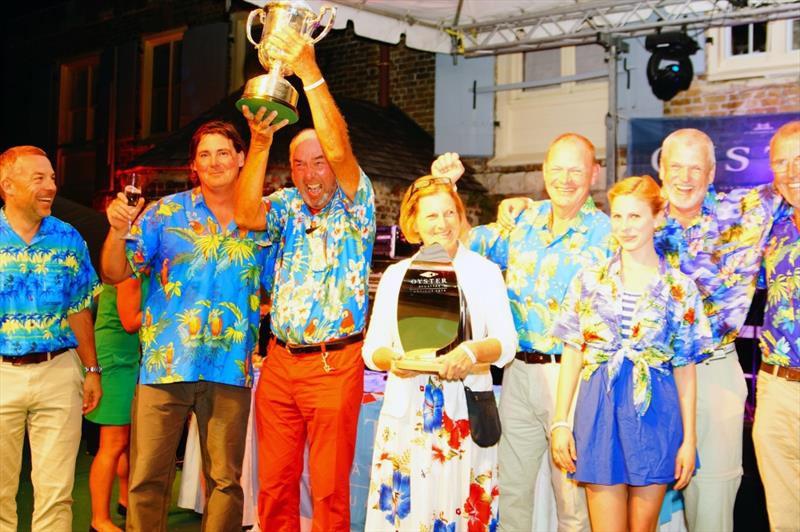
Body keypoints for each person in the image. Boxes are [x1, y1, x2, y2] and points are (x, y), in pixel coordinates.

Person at [100, 120, 278, 532]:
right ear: (194, 165)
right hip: (165, 366)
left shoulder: (263, 219)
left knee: (226, 482)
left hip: (230, 369)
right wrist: (116, 229)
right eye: (204, 155)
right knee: (147, 478)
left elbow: (275, 287)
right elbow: (113, 272)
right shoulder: (164, 214)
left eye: (222, 153)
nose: (214, 162)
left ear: (240, 159)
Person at [234, 24, 376, 531]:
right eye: (300, 165)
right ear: (290, 170)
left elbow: (340, 153)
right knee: (273, 486)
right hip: (278, 363)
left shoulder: (357, 204)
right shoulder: (287, 205)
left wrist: (310, 71)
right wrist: (260, 140)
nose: (312, 174)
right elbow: (246, 214)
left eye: (319, 164)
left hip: (333, 364)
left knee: (330, 489)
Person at [463, 134, 611, 532]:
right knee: (511, 489)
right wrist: (446, 188)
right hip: (518, 373)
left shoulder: (608, 234)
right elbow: (465, 246)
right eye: (557, 169)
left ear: (594, 174)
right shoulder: (523, 220)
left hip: (574, 377)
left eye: (576, 170)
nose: (566, 179)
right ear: (543, 172)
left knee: (572, 499)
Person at [550, 175, 713, 532]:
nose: (625, 226)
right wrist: (560, 422)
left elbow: (685, 369)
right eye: (618, 216)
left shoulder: (680, 288)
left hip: (655, 410)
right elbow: (573, 353)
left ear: (657, 218)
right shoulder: (588, 280)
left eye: (636, 216)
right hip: (598, 407)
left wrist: (689, 439)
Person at [361, 175, 517, 531]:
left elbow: (506, 344)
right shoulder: (396, 275)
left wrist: (472, 350)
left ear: (461, 217)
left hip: (464, 415)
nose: (443, 223)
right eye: (431, 216)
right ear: (413, 222)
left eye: (450, 213)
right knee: (407, 514)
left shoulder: (484, 272)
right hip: (407, 415)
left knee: (460, 510)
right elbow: (372, 350)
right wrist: (395, 362)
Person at [653, 128, 783, 532]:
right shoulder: (641, 221)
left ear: (711, 174)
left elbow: (791, 182)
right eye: (677, 166)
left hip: (714, 373)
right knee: (646, 502)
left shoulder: (745, 212)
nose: (686, 177)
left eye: (696, 168)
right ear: (661, 170)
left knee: (711, 502)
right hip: (649, 376)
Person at [0, 145, 102, 531]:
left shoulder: (68, 237)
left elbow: (79, 309)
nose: (50, 187)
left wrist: (91, 369)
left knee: (57, 493)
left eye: (53, 178)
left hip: (59, 371)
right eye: (39, 178)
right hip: (2, 374)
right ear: (7, 184)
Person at [752, 120, 800, 532]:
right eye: (781, 163)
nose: (791, 172)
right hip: (777, 389)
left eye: (799, 159)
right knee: (784, 516)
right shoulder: (772, 232)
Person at [86, 277, 144, 532]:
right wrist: (171, 305)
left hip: (126, 356)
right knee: (113, 442)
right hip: (114, 361)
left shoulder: (136, 271)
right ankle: (99, 519)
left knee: (126, 439)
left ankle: (125, 499)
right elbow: (131, 322)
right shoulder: (128, 273)